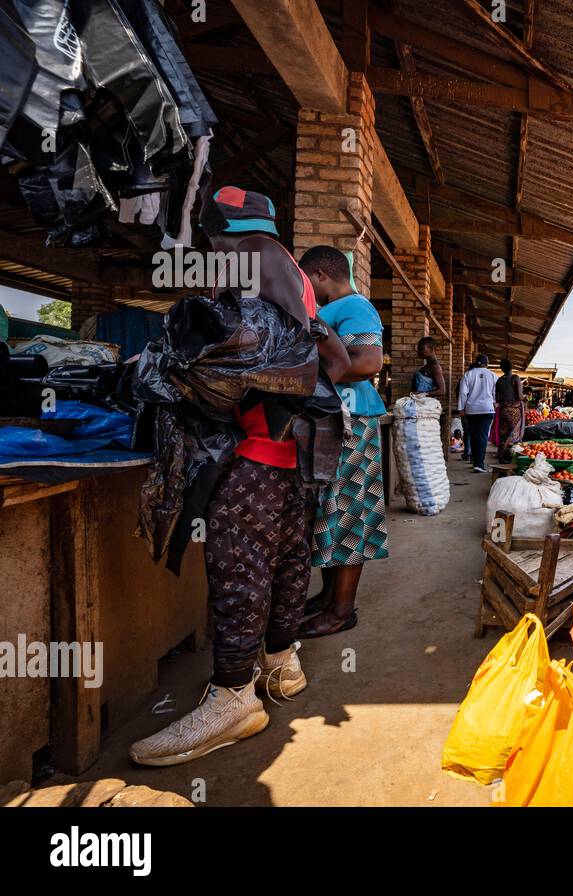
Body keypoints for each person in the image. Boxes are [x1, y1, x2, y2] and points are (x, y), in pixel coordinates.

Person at [130, 187, 351, 766]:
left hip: (252, 455)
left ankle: (232, 697)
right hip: (290, 460)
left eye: (209, 240)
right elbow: (338, 365)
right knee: (282, 565)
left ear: (218, 232)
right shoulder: (297, 284)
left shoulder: (254, 259)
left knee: (238, 573)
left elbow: (245, 362)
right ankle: (281, 665)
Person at [296, 245, 390, 639]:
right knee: (333, 513)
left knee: (350, 515)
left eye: (306, 281)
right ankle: (329, 595)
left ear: (319, 275)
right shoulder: (337, 310)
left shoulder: (356, 307)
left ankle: (341, 611)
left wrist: (306, 373)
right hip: (338, 424)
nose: (307, 291)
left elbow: (369, 361)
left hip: (353, 424)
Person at [458, 353, 496, 473]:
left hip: (471, 410)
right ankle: (479, 464)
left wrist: (461, 408)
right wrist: (494, 403)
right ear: (487, 364)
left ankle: (475, 461)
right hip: (487, 409)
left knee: (473, 435)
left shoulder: (468, 374)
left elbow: (463, 393)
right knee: (483, 436)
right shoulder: (493, 376)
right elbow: (496, 394)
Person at [495, 358, 525, 461]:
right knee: (513, 434)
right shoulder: (515, 378)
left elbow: (497, 399)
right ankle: (509, 457)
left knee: (503, 434)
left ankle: (501, 456)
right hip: (514, 410)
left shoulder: (499, 380)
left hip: (503, 410)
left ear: (502, 369)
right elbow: (520, 397)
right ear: (511, 367)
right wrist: (525, 396)